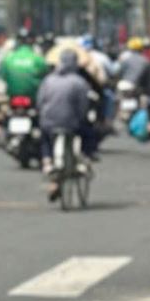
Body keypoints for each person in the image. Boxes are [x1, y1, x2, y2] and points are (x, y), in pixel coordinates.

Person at [36, 44, 98, 198]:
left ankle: (47, 161)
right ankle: (86, 156)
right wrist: (81, 119)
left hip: (49, 122)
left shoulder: (48, 80)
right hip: (72, 123)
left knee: (45, 138)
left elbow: (40, 102)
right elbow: (83, 106)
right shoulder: (79, 82)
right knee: (89, 132)